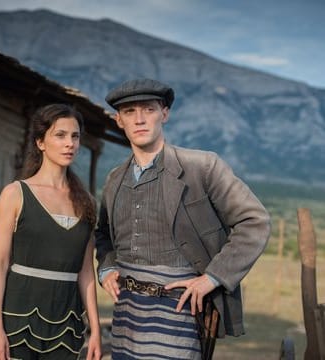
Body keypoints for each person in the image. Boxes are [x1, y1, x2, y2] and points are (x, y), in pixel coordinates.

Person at [95, 78, 271, 359]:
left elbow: (255, 221)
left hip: (180, 316)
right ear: (118, 120)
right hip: (127, 316)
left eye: (148, 109)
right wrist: (106, 270)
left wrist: (213, 277)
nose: (139, 119)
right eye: (129, 112)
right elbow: (102, 234)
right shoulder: (114, 178)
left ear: (164, 114)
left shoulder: (202, 166)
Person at [0, 104, 102, 360]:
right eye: (60, 135)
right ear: (40, 142)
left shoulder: (87, 202)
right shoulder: (15, 194)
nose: (70, 143)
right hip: (17, 318)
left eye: (75, 136)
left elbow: (86, 271)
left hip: (66, 323)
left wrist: (96, 331)